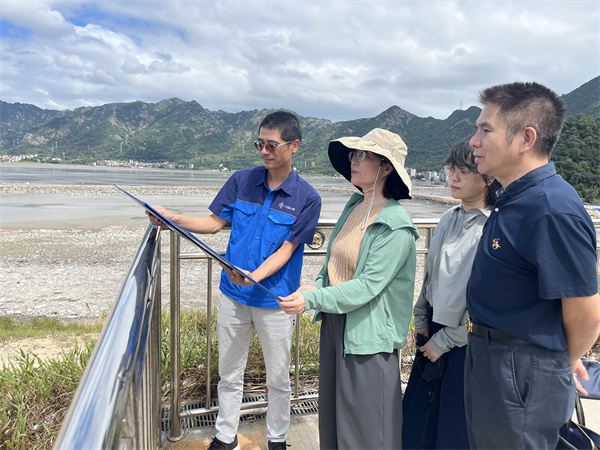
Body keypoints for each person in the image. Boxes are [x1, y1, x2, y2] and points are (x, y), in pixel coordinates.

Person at [148, 111, 322, 450]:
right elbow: (213, 223)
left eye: (272, 145)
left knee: (278, 378)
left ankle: (277, 439)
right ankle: (225, 437)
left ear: (294, 146)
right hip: (233, 296)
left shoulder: (308, 198)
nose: (264, 152)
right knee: (229, 374)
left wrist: (254, 277)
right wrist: (171, 217)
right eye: (260, 144)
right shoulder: (242, 180)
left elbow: (288, 250)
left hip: (275, 300)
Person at [465, 81, 600, 449]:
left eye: (485, 130)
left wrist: (559, 362)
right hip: (491, 357)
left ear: (526, 138)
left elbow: (587, 314)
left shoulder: (550, 208)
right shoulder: (514, 198)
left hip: (521, 367)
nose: (474, 141)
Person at [278, 128, 419, 449]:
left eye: (362, 155)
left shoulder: (396, 224)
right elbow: (334, 265)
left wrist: (312, 298)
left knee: (366, 430)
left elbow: (367, 286)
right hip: (335, 323)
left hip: (368, 336)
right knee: (333, 419)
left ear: (386, 167)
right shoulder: (356, 205)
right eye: (353, 154)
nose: (353, 161)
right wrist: (315, 287)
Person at [402, 139, 500, 449]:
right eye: (451, 169)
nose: (453, 177)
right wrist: (420, 318)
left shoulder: (493, 227)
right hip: (433, 326)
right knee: (417, 418)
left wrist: (445, 340)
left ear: (488, 177)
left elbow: (485, 298)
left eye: (463, 171)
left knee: (453, 423)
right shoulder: (447, 218)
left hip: (465, 338)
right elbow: (430, 276)